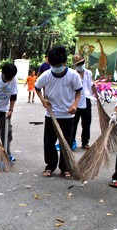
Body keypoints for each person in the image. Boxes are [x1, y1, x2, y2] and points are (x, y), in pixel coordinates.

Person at [35, 46, 82, 178]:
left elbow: (79, 91)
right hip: (51, 115)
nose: (56, 67)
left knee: (66, 143)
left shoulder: (73, 75)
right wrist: (43, 100)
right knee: (49, 142)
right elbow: (37, 88)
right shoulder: (46, 75)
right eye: (53, 64)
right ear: (49, 63)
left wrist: (75, 104)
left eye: (59, 64)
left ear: (64, 63)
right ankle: (50, 166)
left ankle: (65, 168)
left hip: (68, 115)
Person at [72, 53, 93, 149]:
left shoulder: (89, 73)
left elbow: (89, 86)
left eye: (82, 63)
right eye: (79, 64)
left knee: (86, 123)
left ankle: (85, 142)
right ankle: (71, 141)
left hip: (87, 100)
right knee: (74, 123)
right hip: (76, 101)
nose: (81, 65)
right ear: (75, 65)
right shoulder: (73, 74)